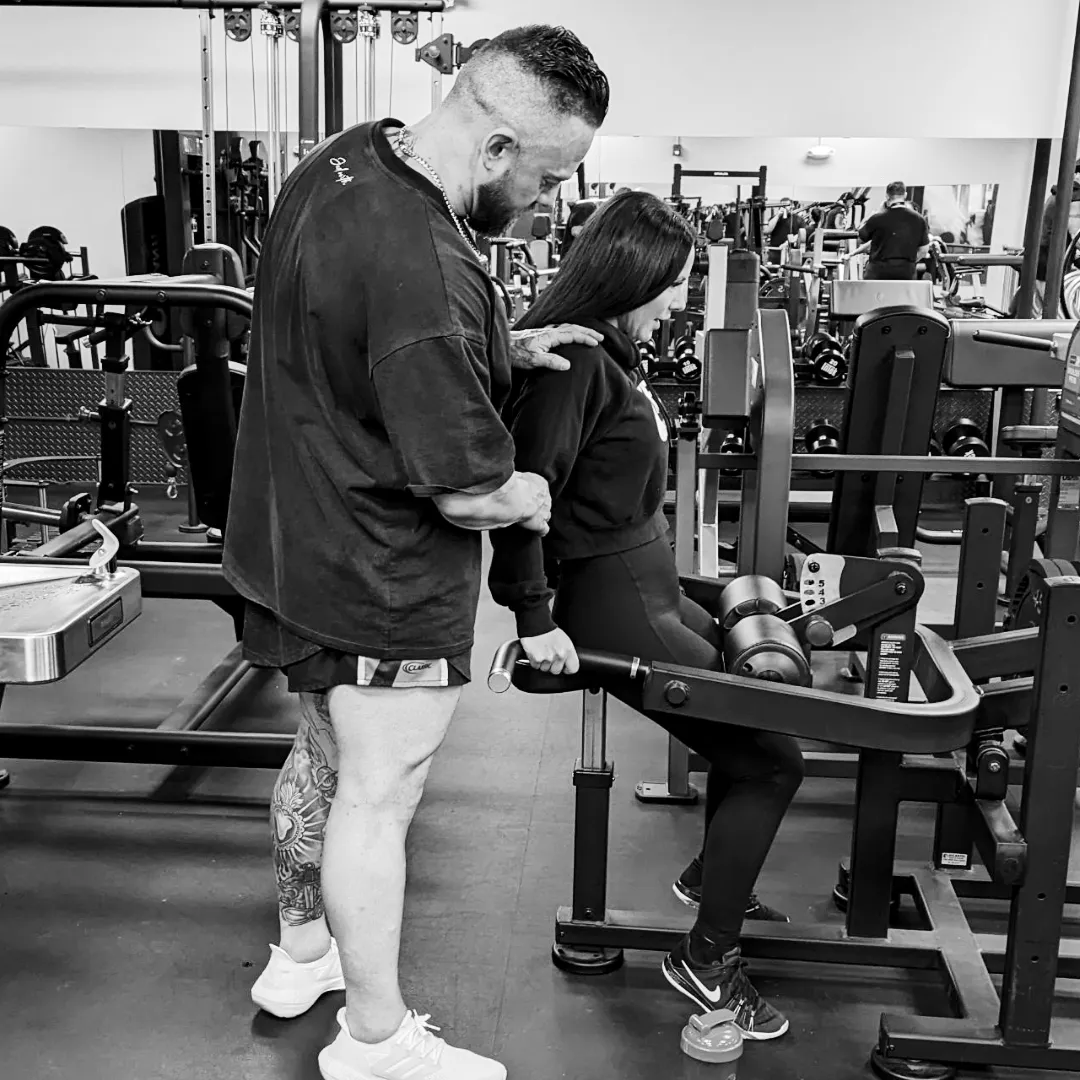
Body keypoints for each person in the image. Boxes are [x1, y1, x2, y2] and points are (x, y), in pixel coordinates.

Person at [222, 25, 610, 1080]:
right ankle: (375, 1042)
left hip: (293, 531)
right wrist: (528, 488)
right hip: (378, 569)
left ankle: (303, 955)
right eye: (544, 178)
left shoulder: (347, 156)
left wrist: (501, 345)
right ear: (493, 147)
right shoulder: (428, 265)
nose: (544, 202)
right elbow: (468, 488)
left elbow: (362, 330)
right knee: (378, 796)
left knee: (325, 756)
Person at [488, 191, 804, 1041]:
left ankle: (712, 880)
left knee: (759, 713)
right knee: (773, 759)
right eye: (675, 283)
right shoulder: (577, 367)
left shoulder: (612, 358)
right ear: (635, 276)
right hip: (610, 601)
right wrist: (531, 617)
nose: (679, 300)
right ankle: (706, 959)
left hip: (648, 580)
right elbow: (525, 498)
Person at [843, 181, 930, 280]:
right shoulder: (919, 219)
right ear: (905, 195)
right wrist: (907, 263)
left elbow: (860, 239)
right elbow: (923, 250)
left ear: (887, 196)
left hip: (877, 273)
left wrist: (875, 214)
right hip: (906, 273)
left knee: (873, 295)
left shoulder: (877, 218)